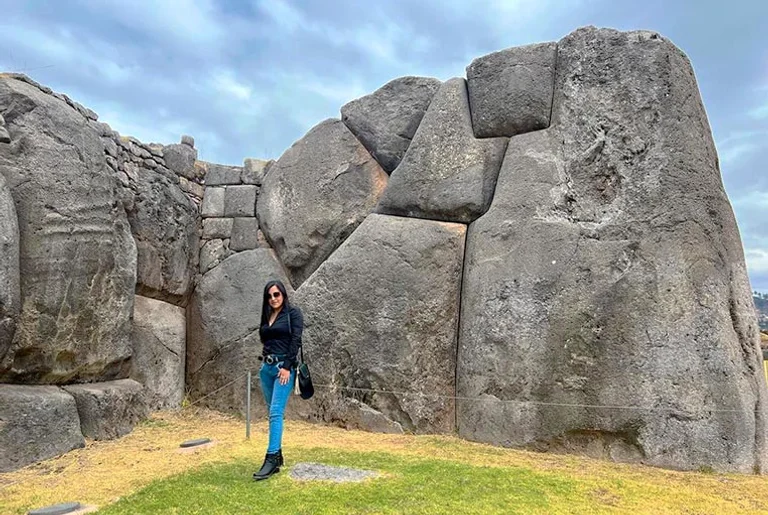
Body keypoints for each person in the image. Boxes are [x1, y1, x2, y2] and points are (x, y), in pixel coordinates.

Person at [252, 279, 303, 481]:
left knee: (275, 412)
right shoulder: (267, 315)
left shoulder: (293, 314)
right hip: (267, 369)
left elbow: (295, 341)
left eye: (276, 294)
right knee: (272, 412)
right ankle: (279, 455)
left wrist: (287, 367)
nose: (273, 299)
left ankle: (271, 458)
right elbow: (267, 340)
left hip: (284, 369)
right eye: (270, 296)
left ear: (283, 295)